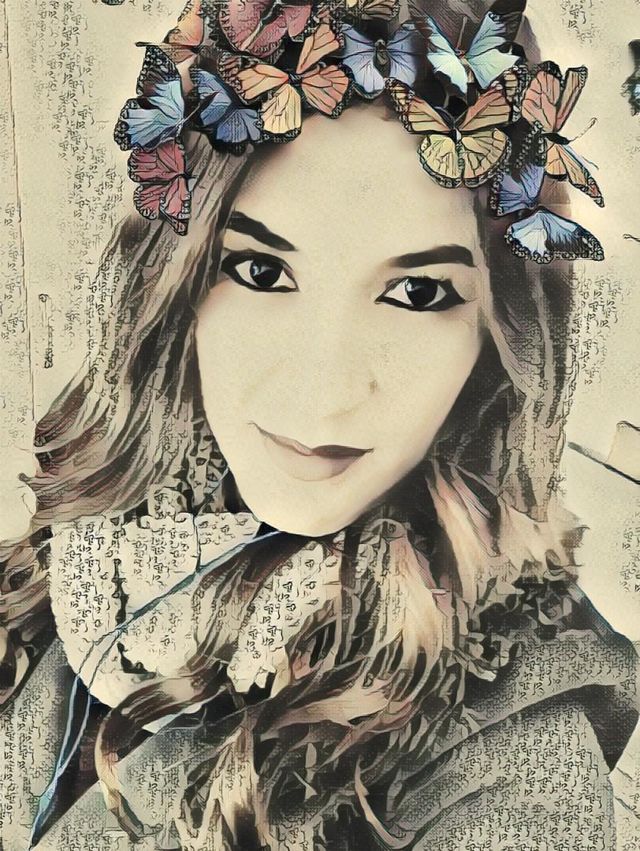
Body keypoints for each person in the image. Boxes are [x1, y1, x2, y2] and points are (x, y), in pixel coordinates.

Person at [0, 1, 637, 849]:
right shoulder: (96, 535)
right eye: (261, 270)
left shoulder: (516, 766)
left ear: (495, 339)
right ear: (179, 284)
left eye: (417, 292)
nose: (324, 393)